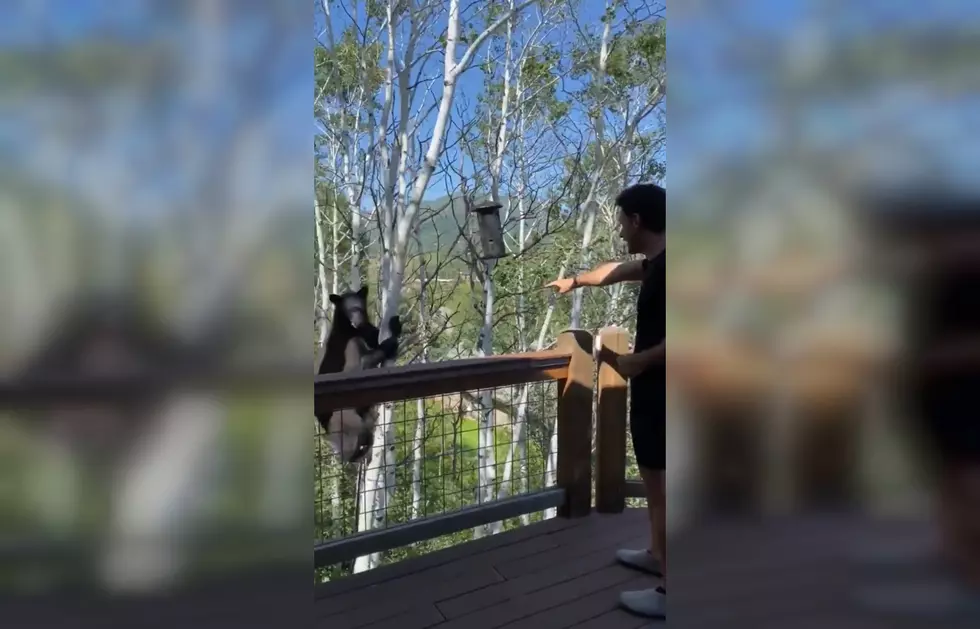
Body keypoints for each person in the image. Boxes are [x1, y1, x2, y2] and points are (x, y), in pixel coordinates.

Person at [547, 182, 666, 619]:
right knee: (655, 477)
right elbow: (613, 270)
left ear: (637, 221)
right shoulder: (653, 265)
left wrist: (641, 360)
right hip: (653, 387)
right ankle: (658, 552)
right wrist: (574, 281)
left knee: (669, 487)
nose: (619, 230)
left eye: (621, 221)